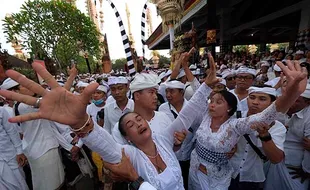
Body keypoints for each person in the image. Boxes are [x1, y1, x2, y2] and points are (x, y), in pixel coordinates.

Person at [0, 52, 307, 190]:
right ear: (129, 138)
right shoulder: (130, 154)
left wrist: (290, 91)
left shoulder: (163, 134)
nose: (138, 123)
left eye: (138, 120)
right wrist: (81, 124)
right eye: (130, 125)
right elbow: (107, 146)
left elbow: (189, 113)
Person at [229, 86, 286, 190]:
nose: (255, 102)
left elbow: (276, 159)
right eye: (252, 97)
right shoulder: (235, 117)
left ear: (273, 103)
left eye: (262, 99)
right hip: (227, 172)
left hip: (252, 178)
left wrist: (265, 136)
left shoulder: (277, 127)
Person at [264, 84, 310, 190]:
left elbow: (308, 148)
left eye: (296, 101)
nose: (291, 103)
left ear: (307, 103)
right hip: (274, 162)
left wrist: (307, 170)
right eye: (290, 98)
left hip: (296, 169)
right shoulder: (279, 109)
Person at [0, 107, 28, 190]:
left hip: (10, 155)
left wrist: (19, 151)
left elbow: (11, 131)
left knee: (20, 182)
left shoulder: (1, 111)